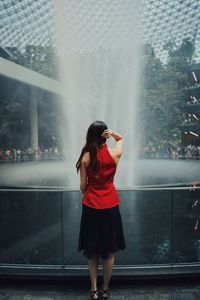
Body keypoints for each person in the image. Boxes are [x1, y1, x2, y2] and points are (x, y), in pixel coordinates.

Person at [76, 120, 126, 300]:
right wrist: (112, 133)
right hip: (110, 205)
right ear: (104, 135)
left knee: (92, 250)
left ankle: (94, 290)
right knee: (109, 250)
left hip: (91, 206)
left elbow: (82, 186)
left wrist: (91, 185)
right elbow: (122, 138)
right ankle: (105, 289)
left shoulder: (85, 157)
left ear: (90, 136)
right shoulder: (115, 154)